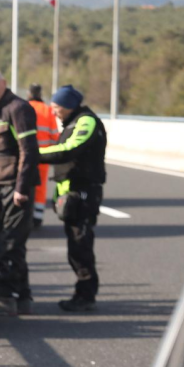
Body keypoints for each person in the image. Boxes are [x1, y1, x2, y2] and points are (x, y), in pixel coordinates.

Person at [0, 68, 40, 316]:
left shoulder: (18, 108)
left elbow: (29, 151)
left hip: (14, 188)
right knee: (2, 242)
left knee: (10, 243)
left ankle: (6, 298)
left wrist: (21, 188)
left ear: (4, 83)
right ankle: (23, 296)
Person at [40, 84, 107, 312]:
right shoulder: (72, 121)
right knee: (75, 246)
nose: (53, 111)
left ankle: (86, 295)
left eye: (56, 106)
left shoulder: (86, 121)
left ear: (69, 105)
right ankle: (83, 292)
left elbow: (70, 149)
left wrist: (33, 154)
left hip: (84, 194)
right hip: (73, 193)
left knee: (81, 246)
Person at [28, 83, 59, 227]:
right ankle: (37, 217)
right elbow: (54, 136)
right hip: (43, 156)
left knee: (24, 184)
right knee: (40, 187)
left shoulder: (22, 107)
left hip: (26, 155)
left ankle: (24, 215)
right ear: (40, 94)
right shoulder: (48, 110)